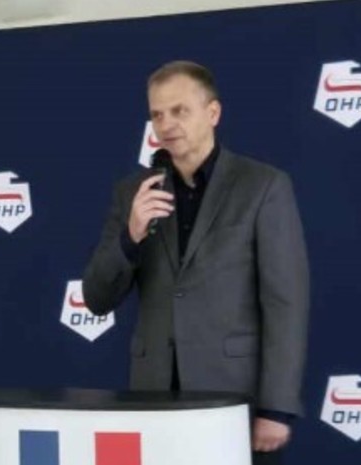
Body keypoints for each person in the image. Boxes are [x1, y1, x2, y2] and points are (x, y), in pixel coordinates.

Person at [82, 61, 309, 464]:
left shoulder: (263, 186)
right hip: (153, 400)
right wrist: (130, 236)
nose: (166, 124)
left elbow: (285, 303)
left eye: (179, 110)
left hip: (234, 398)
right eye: (157, 114)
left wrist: (276, 408)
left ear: (213, 113)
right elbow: (97, 298)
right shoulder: (133, 192)